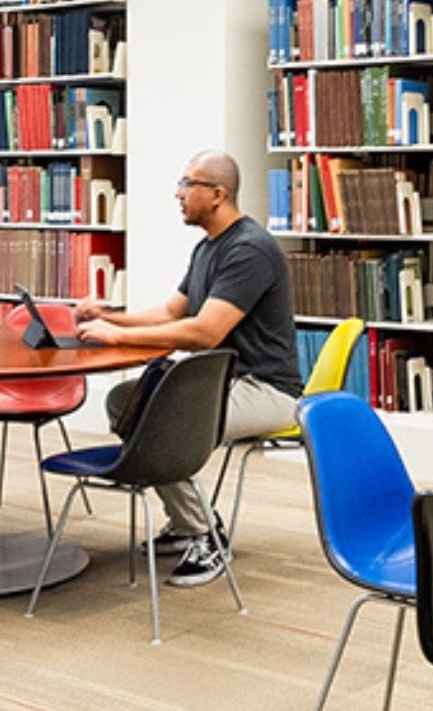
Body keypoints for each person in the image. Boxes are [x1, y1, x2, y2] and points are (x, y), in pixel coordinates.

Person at [73, 149, 303, 589]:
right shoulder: (207, 248)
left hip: (267, 391)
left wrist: (118, 338)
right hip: (224, 384)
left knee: (162, 419)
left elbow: (205, 333)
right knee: (125, 401)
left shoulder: (250, 250)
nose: (177, 194)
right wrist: (108, 318)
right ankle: (186, 523)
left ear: (217, 194)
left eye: (187, 184)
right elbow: (170, 312)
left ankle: (205, 534)